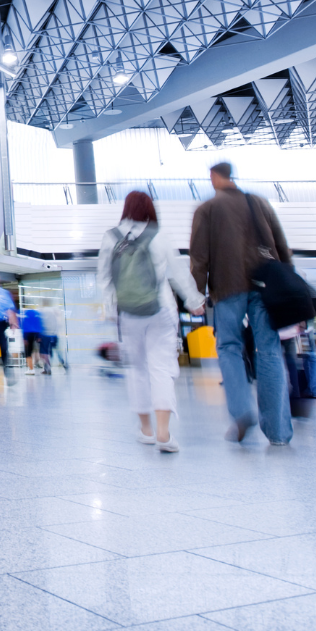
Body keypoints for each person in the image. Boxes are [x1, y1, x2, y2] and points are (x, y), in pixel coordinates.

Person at [190, 162, 293, 445]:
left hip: (227, 287)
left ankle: (241, 410)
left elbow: (199, 257)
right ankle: (278, 432)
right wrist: (288, 281)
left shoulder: (207, 209)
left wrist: (196, 294)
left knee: (229, 347)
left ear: (214, 177)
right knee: (269, 350)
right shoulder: (258, 203)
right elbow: (281, 245)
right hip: (265, 286)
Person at [98, 191, 204, 451]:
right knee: (161, 368)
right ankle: (164, 433)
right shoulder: (159, 235)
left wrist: (111, 309)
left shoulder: (111, 237)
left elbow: (104, 279)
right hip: (161, 309)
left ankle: (146, 430)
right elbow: (178, 272)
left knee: (137, 369)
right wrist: (194, 300)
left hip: (128, 313)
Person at [20, 306, 46, 372]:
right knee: (41, 351)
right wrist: (39, 336)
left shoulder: (26, 315)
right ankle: (45, 366)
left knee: (28, 352)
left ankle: (31, 369)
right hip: (36, 334)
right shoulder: (36, 315)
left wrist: (24, 338)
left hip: (28, 334)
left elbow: (24, 327)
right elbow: (39, 325)